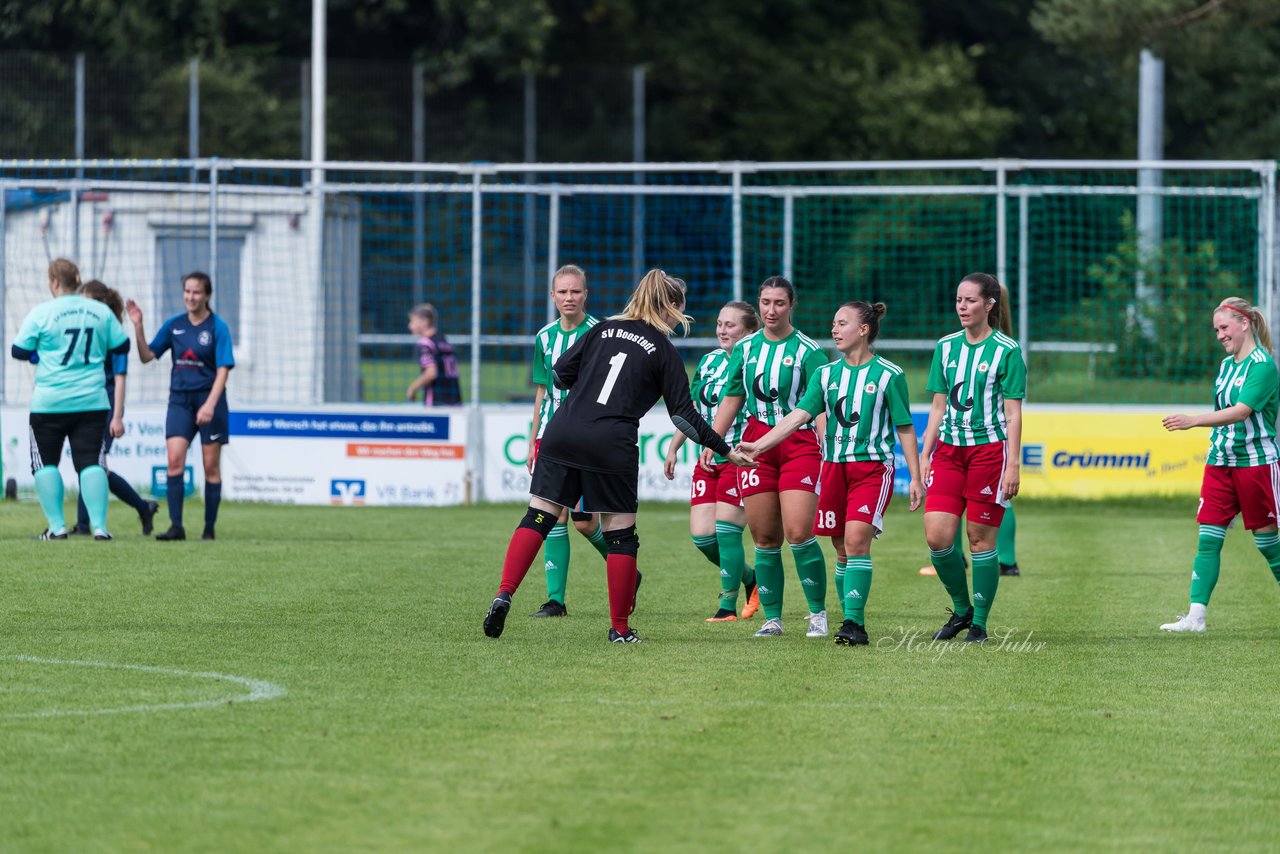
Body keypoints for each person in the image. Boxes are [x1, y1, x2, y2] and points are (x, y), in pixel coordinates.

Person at [483, 269, 751, 643]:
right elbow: (683, 416)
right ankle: (620, 629)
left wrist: (589, 388)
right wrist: (726, 450)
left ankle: (504, 593)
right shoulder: (662, 349)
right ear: (670, 306)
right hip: (611, 441)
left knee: (539, 515)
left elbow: (560, 373)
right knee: (622, 536)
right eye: (680, 310)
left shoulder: (601, 329)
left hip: (563, 429)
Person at [738, 301, 923, 645]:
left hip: (872, 469)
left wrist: (915, 476)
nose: (834, 330)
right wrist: (759, 446)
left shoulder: (889, 374)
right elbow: (797, 417)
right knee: (840, 547)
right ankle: (846, 616)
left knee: (855, 543)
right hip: (834, 468)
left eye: (842, 324)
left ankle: (854, 623)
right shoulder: (826, 374)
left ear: (864, 330)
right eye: (833, 324)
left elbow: (905, 428)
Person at [701, 276, 831, 638]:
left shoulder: (809, 351)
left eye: (779, 303)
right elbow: (732, 397)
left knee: (799, 533)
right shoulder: (746, 349)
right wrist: (712, 441)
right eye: (765, 302)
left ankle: (817, 614)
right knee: (765, 537)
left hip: (799, 446)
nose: (771, 310)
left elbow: (817, 405)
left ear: (792, 306)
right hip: (754, 447)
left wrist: (827, 445)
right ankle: (772, 618)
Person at [1160, 297, 1280, 633]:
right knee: (1208, 538)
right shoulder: (1227, 366)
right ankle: (1196, 618)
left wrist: (1193, 421)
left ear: (1245, 323)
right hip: (1220, 461)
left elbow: (1242, 411)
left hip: (1255, 464)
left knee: (1268, 544)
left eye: (1224, 328)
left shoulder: (1263, 366)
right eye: (1216, 330)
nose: (1219, 336)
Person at [920, 273, 1025, 643]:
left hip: (989, 454)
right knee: (937, 537)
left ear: (989, 305)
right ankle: (962, 609)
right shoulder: (946, 347)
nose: (962, 307)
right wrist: (925, 453)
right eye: (959, 300)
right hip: (949, 452)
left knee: (980, 540)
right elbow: (937, 406)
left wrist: (1013, 464)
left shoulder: (1007, 350)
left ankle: (979, 622)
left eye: (970, 301)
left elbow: (1012, 413)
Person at [11, 258, 131, 540]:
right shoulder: (100, 311)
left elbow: (18, 350)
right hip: (91, 401)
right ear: (77, 281)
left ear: (53, 282)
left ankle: (57, 528)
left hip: (50, 402)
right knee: (91, 463)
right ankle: (100, 528)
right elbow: (122, 345)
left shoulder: (43, 312)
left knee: (46, 463)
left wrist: (39, 353)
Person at [664, 300, 762, 621]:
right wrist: (675, 446)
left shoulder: (756, 364)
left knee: (726, 531)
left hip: (739, 458)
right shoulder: (709, 362)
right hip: (708, 458)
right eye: (720, 323)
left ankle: (726, 607)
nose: (722, 330)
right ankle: (751, 578)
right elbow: (693, 409)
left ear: (749, 330)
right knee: (703, 537)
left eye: (730, 325)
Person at [525, 265, 612, 618]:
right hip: (551, 436)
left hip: (586, 436)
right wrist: (533, 440)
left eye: (575, 291)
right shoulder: (544, 337)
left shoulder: (601, 333)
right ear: (552, 296)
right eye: (562, 292)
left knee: (584, 521)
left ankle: (623, 564)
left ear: (585, 295)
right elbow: (543, 392)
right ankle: (555, 601)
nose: (569, 298)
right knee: (552, 516)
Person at [125, 272, 234, 542]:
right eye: (187, 291)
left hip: (211, 401)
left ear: (207, 295)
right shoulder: (174, 325)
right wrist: (138, 326)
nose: (190, 297)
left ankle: (209, 529)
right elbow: (147, 356)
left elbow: (223, 370)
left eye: (196, 292)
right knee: (174, 461)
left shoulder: (217, 327)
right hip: (180, 401)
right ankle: (177, 527)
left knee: (211, 467)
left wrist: (209, 404)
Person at [69, 281, 160, 536]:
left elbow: (120, 378)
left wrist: (117, 416)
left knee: (94, 466)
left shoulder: (114, 334)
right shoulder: (89, 331)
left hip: (105, 405)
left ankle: (88, 524)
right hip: (88, 404)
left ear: (99, 304)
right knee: (93, 466)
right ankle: (142, 508)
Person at [406, 303, 462, 406]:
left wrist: (412, 388)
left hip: (437, 402)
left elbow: (431, 372)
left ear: (424, 321)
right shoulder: (444, 341)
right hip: (455, 399)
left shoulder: (426, 343)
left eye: (413, 321)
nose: (410, 325)